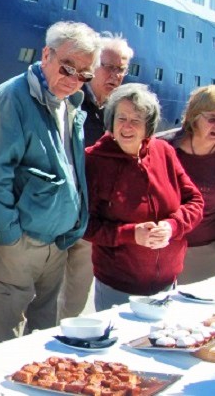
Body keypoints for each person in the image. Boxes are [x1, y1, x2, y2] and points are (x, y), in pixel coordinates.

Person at [0, 21, 99, 350]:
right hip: (17, 244)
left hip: (55, 244)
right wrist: (10, 236)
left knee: (43, 342)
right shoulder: (11, 99)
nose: (73, 80)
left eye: (84, 75)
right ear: (46, 54)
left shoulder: (69, 104)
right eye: (67, 68)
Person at [85, 84, 204, 310]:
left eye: (136, 120)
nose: (127, 126)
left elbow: (195, 201)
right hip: (118, 287)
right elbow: (85, 225)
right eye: (121, 118)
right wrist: (132, 234)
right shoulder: (94, 160)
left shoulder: (164, 151)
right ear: (111, 121)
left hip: (168, 283)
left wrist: (172, 226)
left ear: (148, 125)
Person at [58, 33, 134, 320]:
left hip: (94, 224)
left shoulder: (120, 111)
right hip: (61, 216)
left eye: (121, 69)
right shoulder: (69, 102)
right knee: (41, 300)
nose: (114, 75)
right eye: (108, 66)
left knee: (73, 302)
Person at [158, 86, 215, 284]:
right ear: (194, 115)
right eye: (213, 118)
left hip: (206, 251)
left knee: (194, 310)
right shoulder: (162, 146)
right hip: (160, 245)